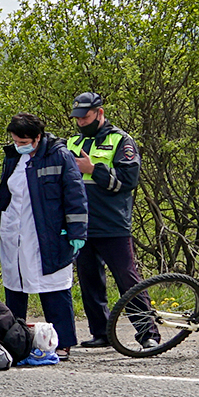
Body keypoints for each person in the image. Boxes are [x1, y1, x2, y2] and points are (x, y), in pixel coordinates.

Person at [0, 112, 87, 356]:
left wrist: (77, 231)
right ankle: (15, 340)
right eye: (15, 141)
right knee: (15, 286)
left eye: (23, 142)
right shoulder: (13, 158)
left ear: (37, 137)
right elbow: (6, 194)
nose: (18, 146)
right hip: (15, 231)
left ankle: (61, 342)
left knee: (53, 287)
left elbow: (75, 195)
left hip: (47, 232)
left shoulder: (59, 155)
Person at [66, 92, 156, 349]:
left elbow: (128, 180)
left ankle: (147, 333)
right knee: (89, 280)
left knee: (127, 279)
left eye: (86, 117)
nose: (81, 122)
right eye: (77, 118)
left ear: (100, 113)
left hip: (112, 223)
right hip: (81, 224)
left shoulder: (121, 140)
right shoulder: (72, 142)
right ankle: (101, 333)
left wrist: (93, 169)